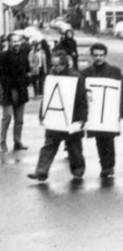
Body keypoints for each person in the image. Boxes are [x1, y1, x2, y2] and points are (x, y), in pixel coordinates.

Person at [28, 52, 87, 182]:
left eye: (57, 65)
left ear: (64, 64)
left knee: (74, 148)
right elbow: (47, 98)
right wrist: (42, 114)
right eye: (52, 65)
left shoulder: (77, 77)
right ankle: (41, 171)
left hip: (72, 119)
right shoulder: (51, 77)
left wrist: (82, 119)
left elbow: (82, 100)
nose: (54, 67)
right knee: (49, 146)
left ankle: (78, 171)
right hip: (54, 118)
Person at [81, 43, 122, 178]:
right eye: (96, 55)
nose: (98, 58)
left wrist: (120, 111)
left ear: (105, 55)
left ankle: (109, 166)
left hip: (109, 111)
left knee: (109, 139)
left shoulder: (115, 71)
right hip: (95, 111)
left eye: (101, 55)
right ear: (92, 55)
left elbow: (119, 92)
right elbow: (82, 90)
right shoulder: (86, 73)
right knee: (99, 140)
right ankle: (104, 165)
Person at [0, 33, 31, 151]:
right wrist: (11, 88)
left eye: (18, 41)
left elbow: (27, 70)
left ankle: (17, 141)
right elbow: (2, 76)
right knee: (6, 117)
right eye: (14, 41)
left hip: (21, 90)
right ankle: (2, 142)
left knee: (19, 120)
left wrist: (27, 80)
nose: (17, 44)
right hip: (8, 91)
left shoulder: (23, 55)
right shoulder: (3, 56)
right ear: (9, 43)